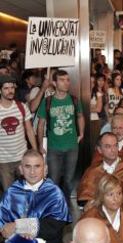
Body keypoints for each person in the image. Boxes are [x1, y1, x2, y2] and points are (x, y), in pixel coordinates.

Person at [0, 150, 71, 243]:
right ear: (21, 169)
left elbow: (54, 228)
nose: (32, 172)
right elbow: (3, 223)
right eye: (28, 166)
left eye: (37, 166)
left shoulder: (54, 193)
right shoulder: (11, 192)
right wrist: (7, 231)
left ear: (45, 169)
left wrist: (20, 227)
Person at [36, 70, 85, 202]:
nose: (66, 83)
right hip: (53, 148)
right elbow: (40, 125)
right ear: (54, 83)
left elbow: (80, 116)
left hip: (72, 147)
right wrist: (40, 145)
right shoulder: (48, 101)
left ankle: (66, 205)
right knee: (54, 180)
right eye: (62, 80)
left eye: (68, 80)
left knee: (69, 181)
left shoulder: (74, 100)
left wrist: (81, 133)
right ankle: (54, 206)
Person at [77, 132, 123, 207]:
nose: (113, 150)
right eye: (108, 146)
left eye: (115, 145)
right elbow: (85, 198)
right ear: (99, 149)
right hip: (97, 213)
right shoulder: (92, 171)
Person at [0, 75, 37, 192]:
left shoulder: (21, 107)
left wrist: (35, 151)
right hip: (3, 161)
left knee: (27, 191)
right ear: (0, 90)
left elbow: (29, 130)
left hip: (22, 157)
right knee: (9, 193)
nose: (10, 91)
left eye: (12, 87)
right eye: (6, 88)